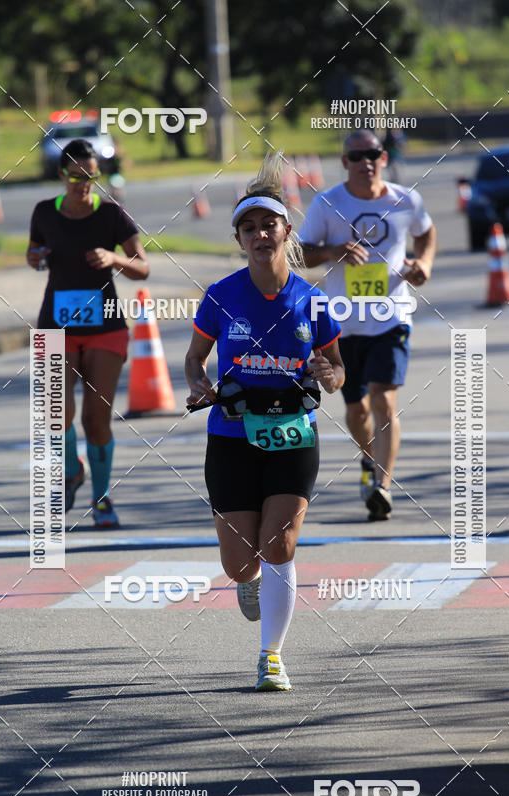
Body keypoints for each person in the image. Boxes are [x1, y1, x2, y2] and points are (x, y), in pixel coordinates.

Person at [185, 153, 344, 691]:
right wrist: (197, 381)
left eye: (268, 225)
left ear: (286, 231)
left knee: (280, 544)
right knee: (239, 563)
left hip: (294, 433)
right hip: (231, 434)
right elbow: (193, 358)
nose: (259, 234)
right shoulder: (220, 296)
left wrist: (328, 372)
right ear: (239, 239)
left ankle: (271, 656)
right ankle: (248, 582)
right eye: (248, 227)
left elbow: (337, 370)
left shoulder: (313, 301)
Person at [299, 129, 436, 521]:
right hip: (342, 324)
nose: (366, 162)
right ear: (344, 162)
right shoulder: (328, 204)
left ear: (384, 157)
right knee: (357, 412)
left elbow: (426, 233)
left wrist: (422, 264)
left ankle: (382, 486)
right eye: (356, 156)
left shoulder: (405, 200)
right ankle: (368, 459)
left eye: (373, 153)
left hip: (390, 318)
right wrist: (332, 251)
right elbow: (302, 254)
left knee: (384, 400)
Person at [27, 139, 149, 527]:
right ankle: (71, 469)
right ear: (62, 174)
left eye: (91, 176)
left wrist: (114, 257)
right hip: (55, 324)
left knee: (97, 420)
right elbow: (35, 252)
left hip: (104, 326)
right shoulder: (45, 212)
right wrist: (35, 258)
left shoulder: (112, 215)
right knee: (55, 412)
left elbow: (142, 267)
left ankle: (101, 500)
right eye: (77, 176)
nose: (84, 184)